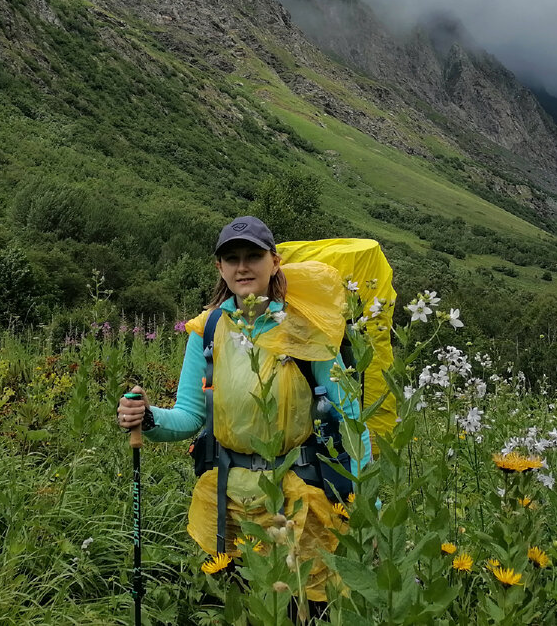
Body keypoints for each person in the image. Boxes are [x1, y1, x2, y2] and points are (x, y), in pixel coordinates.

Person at [116, 215, 371, 604]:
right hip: (227, 504)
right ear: (219, 267)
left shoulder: (307, 328)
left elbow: (351, 419)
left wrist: (367, 503)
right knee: (235, 605)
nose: (242, 266)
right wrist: (149, 418)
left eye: (253, 255)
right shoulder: (206, 330)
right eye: (231, 258)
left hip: (299, 503)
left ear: (274, 261)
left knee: (302, 608)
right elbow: (189, 417)